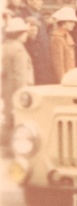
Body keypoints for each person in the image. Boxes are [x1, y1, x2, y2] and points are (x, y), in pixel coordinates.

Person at [2, 18, 35, 156]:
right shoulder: (19, 49)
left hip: (6, 88)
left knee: (8, 117)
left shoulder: (4, 46)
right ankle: (15, 149)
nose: (27, 35)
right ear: (19, 33)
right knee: (19, 118)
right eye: (25, 32)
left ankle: (7, 146)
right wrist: (23, 95)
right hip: (17, 89)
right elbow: (20, 75)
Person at [49, 6, 77, 82]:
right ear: (63, 22)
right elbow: (58, 64)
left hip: (70, 75)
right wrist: (62, 80)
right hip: (65, 79)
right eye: (71, 22)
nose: (74, 24)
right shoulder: (57, 38)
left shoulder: (67, 35)